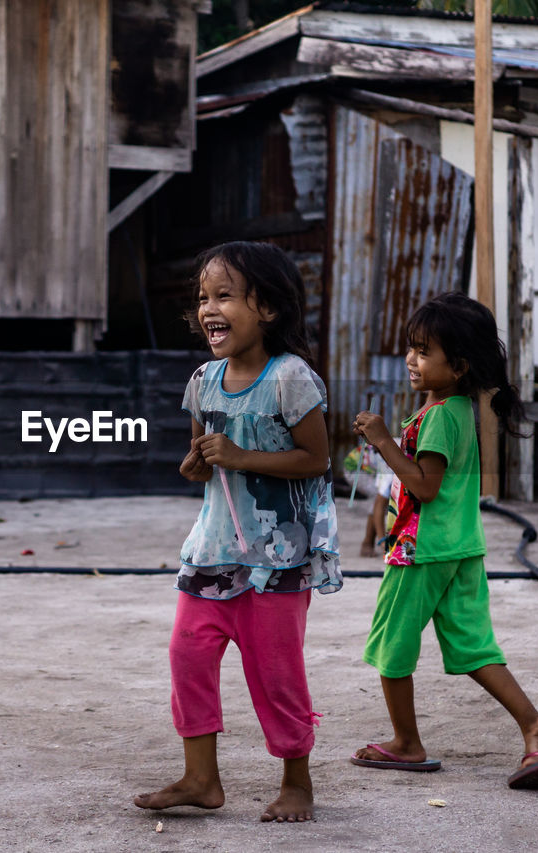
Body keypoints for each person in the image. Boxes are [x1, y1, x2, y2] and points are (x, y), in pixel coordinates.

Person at [350, 291, 538, 790]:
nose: (411, 360)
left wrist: (381, 440)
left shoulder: (440, 416)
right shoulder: (458, 409)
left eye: (423, 352)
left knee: (390, 648)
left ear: (459, 365)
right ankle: (533, 725)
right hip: (461, 548)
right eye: (411, 348)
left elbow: (424, 485)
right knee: (474, 647)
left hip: (421, 552)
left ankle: (406, 743)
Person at [133, 241, 342, 823]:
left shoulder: (291, 378)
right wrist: (197, 463)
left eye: (225, 295)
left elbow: (315, 462)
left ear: (268, 309)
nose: (208, 308)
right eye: (203, 298)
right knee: (187, 656)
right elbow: (203, 458)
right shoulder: (202, 379)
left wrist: (242, 456)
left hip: (278, 558)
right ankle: (201, 778)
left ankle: (296, 781)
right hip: (213, 549)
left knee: (275, 675)